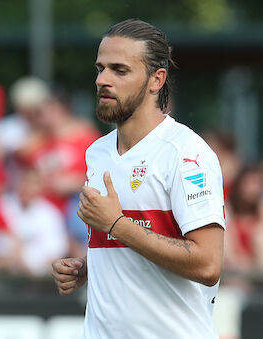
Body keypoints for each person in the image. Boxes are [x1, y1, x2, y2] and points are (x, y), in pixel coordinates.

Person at [52, 19, 225, 338]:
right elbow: (129, 243)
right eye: (100, 68)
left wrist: (117, 225)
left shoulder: (186, 154)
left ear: (156, 79)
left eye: (119, 70)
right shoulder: (97, 152)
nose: (103, 80)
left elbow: (207, 263)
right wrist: (88, 269)